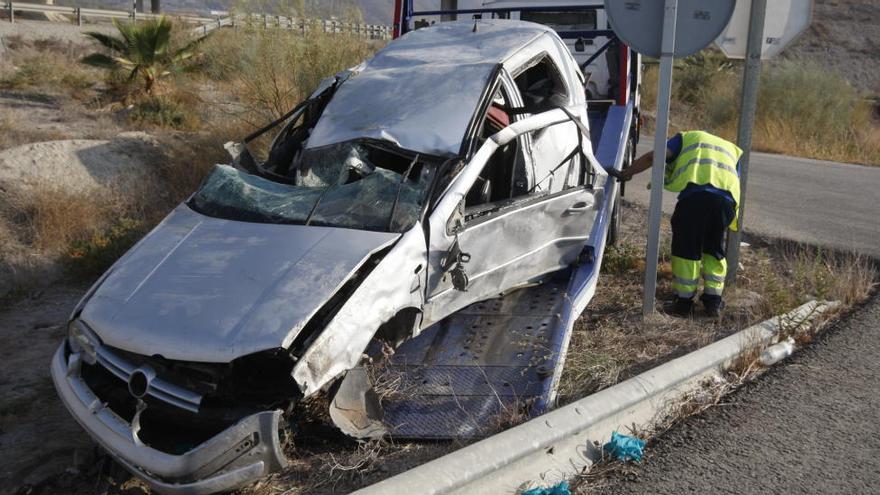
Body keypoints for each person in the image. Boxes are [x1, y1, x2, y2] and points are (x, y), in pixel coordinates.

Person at [618, 131, 742, 317]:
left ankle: (684, 303)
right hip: (726, 203)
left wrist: (627, 172)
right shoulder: (731, 149)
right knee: (713, 248)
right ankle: (713, 302)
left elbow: (655, 156)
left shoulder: (685, 138)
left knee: (687, 250)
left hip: (696, 197)